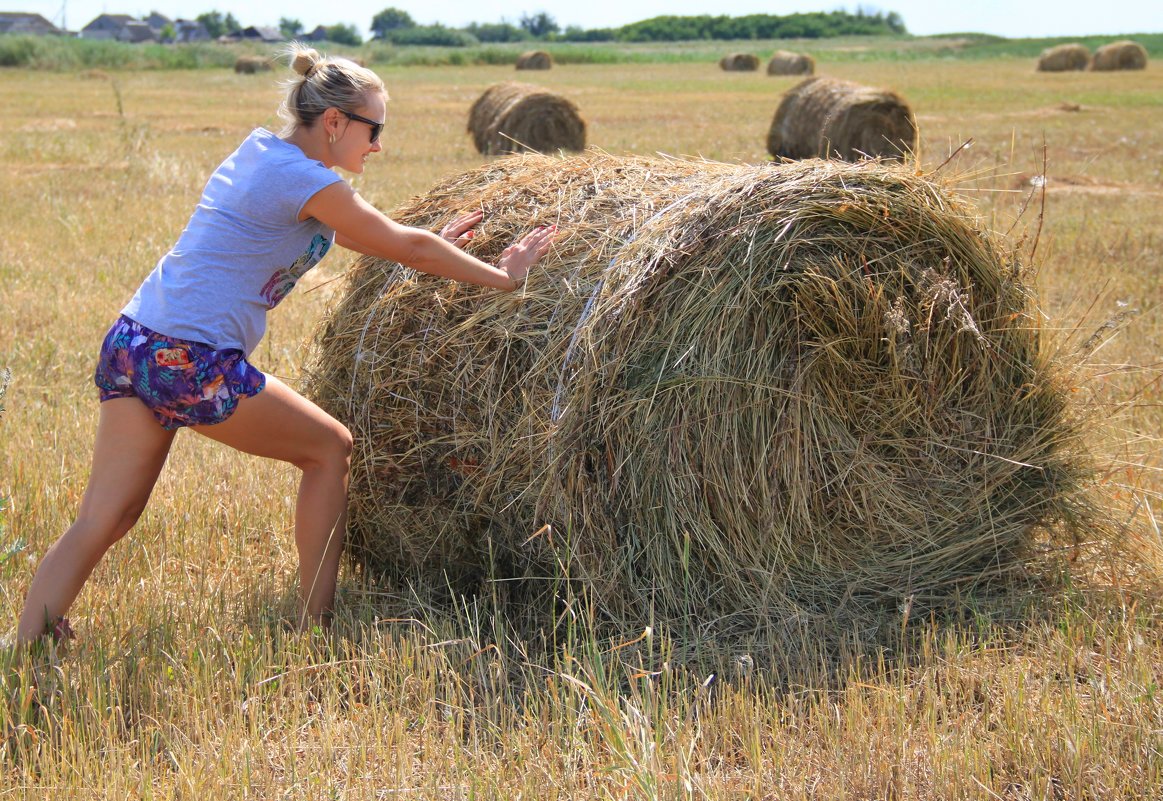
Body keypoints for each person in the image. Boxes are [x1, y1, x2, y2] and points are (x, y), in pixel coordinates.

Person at [15, 44, 555, 645]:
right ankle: (312, 626)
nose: (376, 145)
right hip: (190, 359)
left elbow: (371, 238)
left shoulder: (264, 155)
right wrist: (506, 278)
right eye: (373, 129)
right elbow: (406, 247)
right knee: (330, 450)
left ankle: (26, 637)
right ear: (334, 123)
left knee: (108, 514)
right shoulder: (304, 178)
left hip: (135, 343)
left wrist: (420, 240)